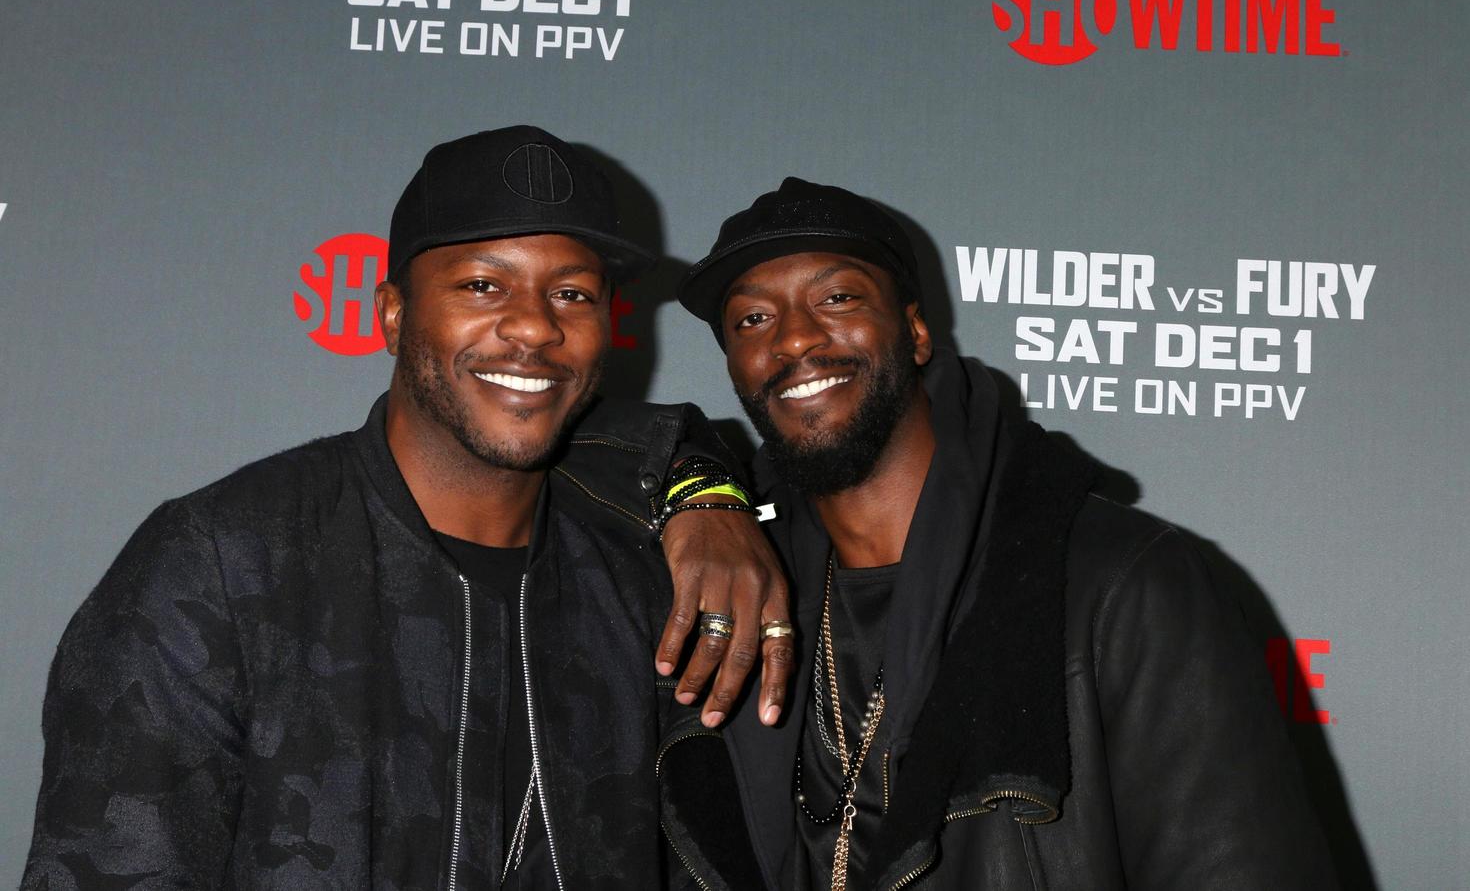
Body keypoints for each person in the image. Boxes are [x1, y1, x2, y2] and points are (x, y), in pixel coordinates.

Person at [22, 126, 792, 890]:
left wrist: (708, 485)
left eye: (572, 293)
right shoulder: (220, 564)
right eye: (483, 285)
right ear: (392, 315)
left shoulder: (642, 578)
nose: (534, 325)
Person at [661, 177, 1338, 889]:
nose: (794, 336)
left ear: (916, 332)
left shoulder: (1125, 584)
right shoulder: (737, 591)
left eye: (838, 298)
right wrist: (694, 490)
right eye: (752, 320)